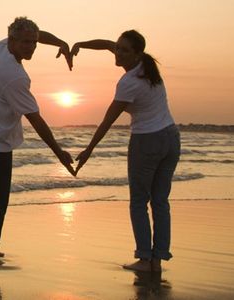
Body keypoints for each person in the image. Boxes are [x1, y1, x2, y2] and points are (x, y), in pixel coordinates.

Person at [0, 17, 75, 266]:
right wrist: (59, 152)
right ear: (12, 40)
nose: (32, 47)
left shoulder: (0, 47)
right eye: (26, 43)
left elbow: (38, 35)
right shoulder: (13, 77)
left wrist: (60, 42)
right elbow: (35, 119)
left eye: (34, 43)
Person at [71, 30, 180, 272]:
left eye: (123, 50)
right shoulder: (146, 66)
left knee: (139, 201)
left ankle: (144, 259)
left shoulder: (129, 82)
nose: (117, 52)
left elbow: (108, 120)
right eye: (118, 48)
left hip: (148, 141)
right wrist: (81, 43)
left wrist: (89, 149)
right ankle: (157, 260)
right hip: (171, 137)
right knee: (160, 201)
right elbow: (106, 43)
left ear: (136, 53)